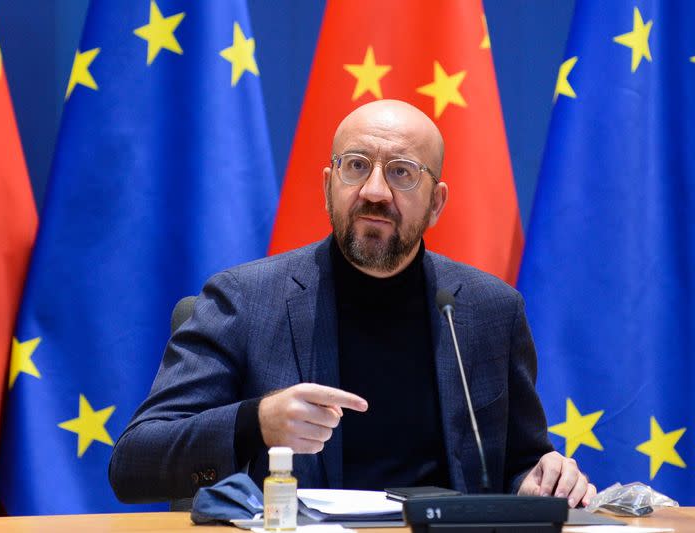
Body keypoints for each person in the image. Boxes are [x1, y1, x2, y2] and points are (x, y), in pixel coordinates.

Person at [109, 100, 595, 508]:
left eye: (402, 173)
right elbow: (134, 464)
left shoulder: (489, 311)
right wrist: (255, 421)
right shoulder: (244, 300)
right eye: (356, 165)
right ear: (328, 186)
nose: (375, 191)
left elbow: (517, 465)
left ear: (437, 203)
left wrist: (538, 482)